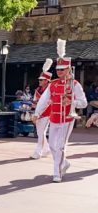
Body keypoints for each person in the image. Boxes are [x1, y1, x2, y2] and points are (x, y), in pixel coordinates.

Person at [33, 39, 87, 183]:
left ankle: (57, 173)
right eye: (57, 69)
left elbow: (84, 103)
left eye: (62, 69)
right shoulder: (53, 84)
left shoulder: (74, 84)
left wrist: (71, 102)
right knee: (51, 145)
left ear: (68, 69)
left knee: (60, 146)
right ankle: (64, 163)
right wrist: (37, 113)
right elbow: (44, 100)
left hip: (67, 119)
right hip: (54, 119)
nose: (59, 71)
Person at [30, 59, 52, 159]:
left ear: (47, 81)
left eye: (41, 80)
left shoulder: (51, 90)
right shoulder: (37, 90)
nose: (39, 81)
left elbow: (48, 103)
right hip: (38, 113)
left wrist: (38, 114)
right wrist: (34, 113)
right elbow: (35, 102)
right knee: (40, 132)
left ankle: (37, 152)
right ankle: (47, 149)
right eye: (39, 79)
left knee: (41, 132)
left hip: (47, 113)